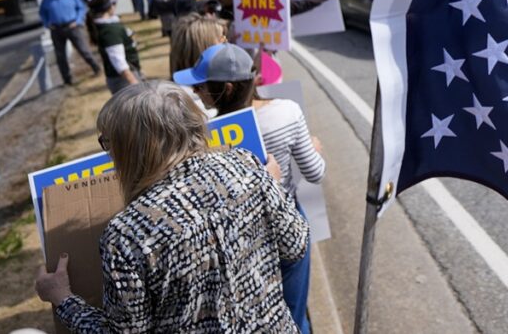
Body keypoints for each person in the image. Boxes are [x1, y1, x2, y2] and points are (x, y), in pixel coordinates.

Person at [34, 81, 309, 332]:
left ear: (130, 150)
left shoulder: (125, 234)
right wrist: (269, 190)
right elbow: (296, 244)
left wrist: (63, 299)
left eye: (109, 143)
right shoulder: (246, 165)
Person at [174, 43, 324, 334]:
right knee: (294, 315)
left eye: (201, 86)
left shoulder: (201, 134)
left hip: (235, 237)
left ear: (227, 88)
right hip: (289, 220)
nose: (195, 92)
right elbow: (315, 173)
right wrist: (315, 149)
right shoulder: (287, 112)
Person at [39, 0, 101, 86]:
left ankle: (96, 68)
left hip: (73, 26)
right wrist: (47, 23)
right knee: (60, 56)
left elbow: (82, 7)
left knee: (84, 49)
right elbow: (42, 13)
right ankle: (67, 79)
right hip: (56, 29)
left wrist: (78, 21)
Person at [88, 0, 143, 95]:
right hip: (123, 81)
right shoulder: (110, 32)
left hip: (123, 77)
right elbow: (118, 61)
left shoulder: (108, 26)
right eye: (113, 3)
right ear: (108, 7)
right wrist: (133, 82)